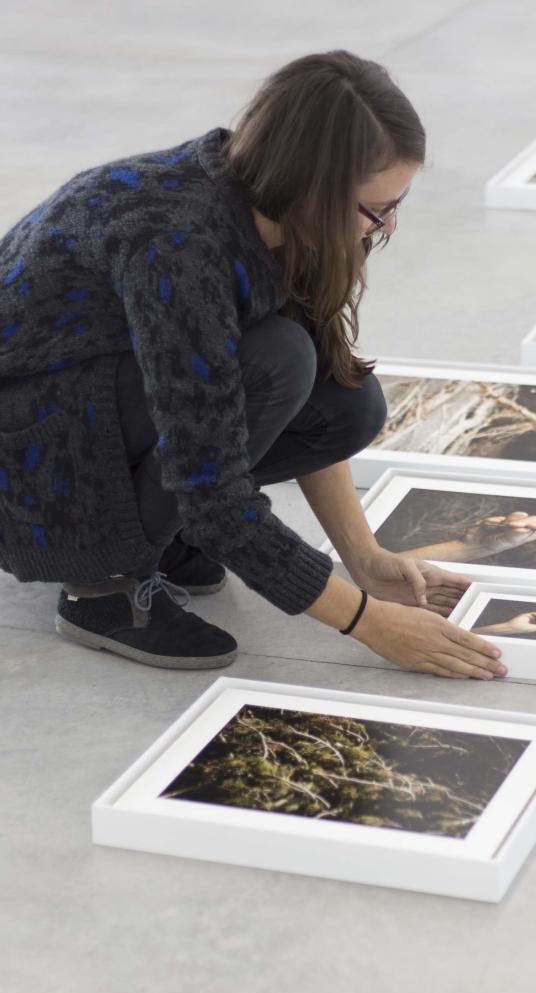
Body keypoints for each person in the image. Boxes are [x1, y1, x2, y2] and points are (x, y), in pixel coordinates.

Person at [0, 50, 506, 680]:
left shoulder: (265, 203)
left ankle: (155, 534)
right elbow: (209, 486)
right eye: (376, 210)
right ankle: (100, 588)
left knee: (344, 404)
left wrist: (364, 559)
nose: (388, 226)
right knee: (278, 361)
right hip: (28, 465)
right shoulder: (179, 242)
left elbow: (284, 402)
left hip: (93, 403)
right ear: (313, 188)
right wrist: (370, 623)